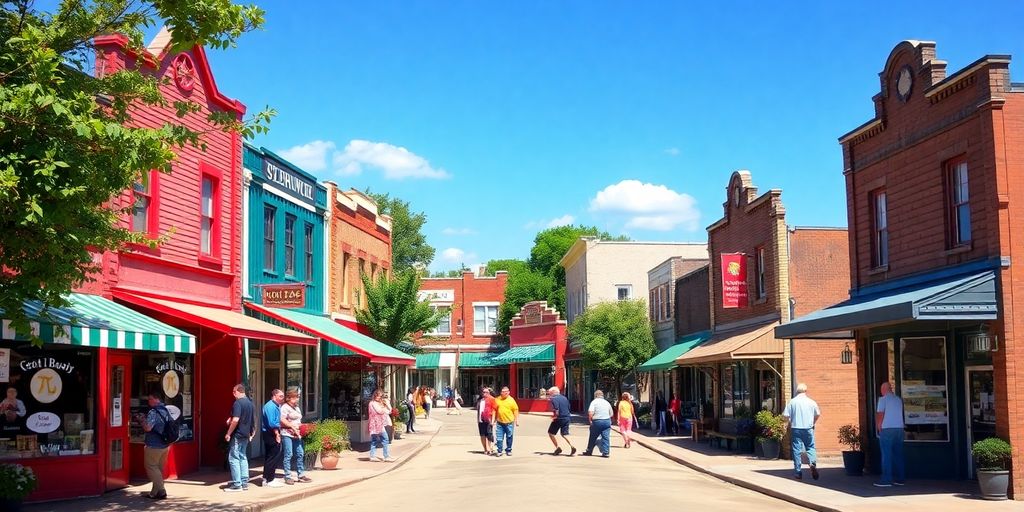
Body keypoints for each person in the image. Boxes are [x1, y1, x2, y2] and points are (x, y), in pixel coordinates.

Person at [783, 382, 821, 481]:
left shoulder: (792, 402)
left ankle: (798, 472)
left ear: (797, 391)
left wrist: (788, 422)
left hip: (796, 428)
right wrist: (813, 422)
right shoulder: (811, 402)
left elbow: (786, 415)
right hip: (808, 428)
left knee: (797, 450)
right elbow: (817, 414)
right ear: (806, 391)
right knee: (810, 447)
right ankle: (812, 463)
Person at [223, 384, 255, 492]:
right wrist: (251, 433)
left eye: (234, 392)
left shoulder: (237, 403)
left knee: (234, 458)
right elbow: (252, 419)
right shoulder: (250, 403)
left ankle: (237, 484)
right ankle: (244, 482)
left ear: (238, 391)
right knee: (243, 456)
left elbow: (236, 419)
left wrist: (228, 433)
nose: (233, 394)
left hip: (237, 434)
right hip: (246, 434)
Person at [875, 382, 906, 487]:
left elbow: (880, 414)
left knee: (886, 455)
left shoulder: (883, 400)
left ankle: (886, 479)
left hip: (887, 428)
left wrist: (879, 426)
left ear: (884, 390)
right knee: (898, 454)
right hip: (899, 429)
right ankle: (900, 479)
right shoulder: (898, 400)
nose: (881, 392)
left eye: (881, 390)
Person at [141, 389, 170, 500]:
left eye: (150, 399)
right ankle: (154, 492)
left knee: (151, 467)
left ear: (156, 399)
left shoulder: (153, 412)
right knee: (158, 469)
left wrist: (142, 420)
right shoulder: (166, 410)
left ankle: (161, 491)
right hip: (165, 444)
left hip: (153, 445)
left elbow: (148, 427)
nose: (149, 401)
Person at [280, 389, 311, 485]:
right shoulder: (285, 407)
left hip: (297, 434)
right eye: (295, 397)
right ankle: (287, 476)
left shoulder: (297, 408)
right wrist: (291, 426)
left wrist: (302, 427)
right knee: (288, 454)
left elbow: (298, 420)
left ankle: (301, 474)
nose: (297, 399)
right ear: (289, 398)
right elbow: (282, 419)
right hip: (287, 433)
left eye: (297, 397)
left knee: (300, 453)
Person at [261, 388, 286, 488]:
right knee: (272, 456)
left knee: (273, 455)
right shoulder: (270, 406)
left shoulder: (276, 406)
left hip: (273, 432)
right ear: (274, 396)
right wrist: (277, 434)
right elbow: (272, 423)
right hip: (270, 433)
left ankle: (269, 477)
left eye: (283, 396)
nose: (282, 398)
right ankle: (268, 479)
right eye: (280, 396)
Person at [547, 386, 576, 455]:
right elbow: (569, 407)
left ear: (553, 392)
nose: (549, 395)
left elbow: (556, 409)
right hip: (567, 417)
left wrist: (555, 416)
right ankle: (572, 446)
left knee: (551, 433)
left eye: (550, 393)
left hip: (559, 418)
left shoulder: (554, 399)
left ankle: (558, 447)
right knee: (565, 434)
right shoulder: (564, 398)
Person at [368, 389, 396, 463]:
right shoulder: (373, 403)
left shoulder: (378, 403)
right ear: (375, 395)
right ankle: (386, 456)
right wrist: (384, 407)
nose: (379, 397)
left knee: (374, 440)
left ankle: (373, 456)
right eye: (378, 396)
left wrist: (387, 403)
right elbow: (380, 411)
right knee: (385, 439)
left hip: (378, 424)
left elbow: (389, 411)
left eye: (380, 396)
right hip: (376, 424)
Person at [583, 390, 614, 457]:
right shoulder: (607, 402)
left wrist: (590, 421)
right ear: (602, 396)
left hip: (597, 421)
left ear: (595, 395)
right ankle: (606, 452)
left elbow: (590, 412)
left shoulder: (594, 402)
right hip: (606, 421)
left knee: (593, 436)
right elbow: (611, 414)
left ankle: (589, 450)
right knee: (606, 437)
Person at [493, 386, 519, 457]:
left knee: (509, 437)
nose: (505, 393)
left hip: (509, 422)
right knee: (499, 438)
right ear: (501, 392)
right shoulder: (497, 399)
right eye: (504, 392)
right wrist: (493, 420)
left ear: (509, 392)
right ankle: (499, 450)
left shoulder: (511, 400)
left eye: (507, 392)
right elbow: (494, 410)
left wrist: (516, 421)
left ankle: (509, 450)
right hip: (499, 423)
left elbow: (515, 410)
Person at [477, 387, 496, 455]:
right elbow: (479, 410)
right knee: (482, 435)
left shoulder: (492, 399)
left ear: (489, 393)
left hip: (489, 420)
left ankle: (489, 448)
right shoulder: (480, 400)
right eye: (483, 392)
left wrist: (493, 421)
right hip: (481, 420)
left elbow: (494, 410)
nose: (485, 393)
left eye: (486, 392)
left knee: (489, 435)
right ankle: (485, 448)